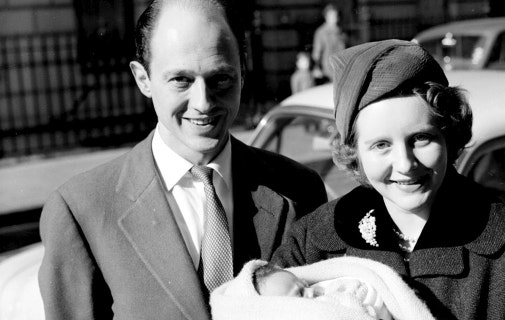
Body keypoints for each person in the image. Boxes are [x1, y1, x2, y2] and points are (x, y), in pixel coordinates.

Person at [37, 0, 327, 319]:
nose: (203, 103)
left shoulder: (299, 188)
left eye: (220, 79)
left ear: (243, 73)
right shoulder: (82, 209)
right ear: (143, 79)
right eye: (181, 80)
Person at [272, 39, 505, 319]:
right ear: (355, 153)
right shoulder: (315, 240)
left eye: (421, 138)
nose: (405, 164)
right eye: (381, 145)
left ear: (449, 136)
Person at [209, 257, 435, 320]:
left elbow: (364, 291)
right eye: (298, 295)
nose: (312, 292)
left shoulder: (330, 292)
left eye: (305, 285)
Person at [311, 3, 347, 82]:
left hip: (341, 67)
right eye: (331, 16)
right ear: (326, 17)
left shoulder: (340, 31)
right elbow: (316, 53)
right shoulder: (321, 32)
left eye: (335, 15)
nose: (333, 18)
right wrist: (316, 67)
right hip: (328, 70)